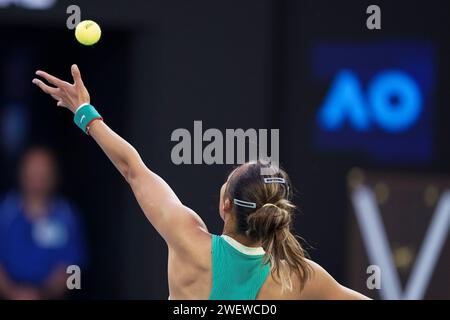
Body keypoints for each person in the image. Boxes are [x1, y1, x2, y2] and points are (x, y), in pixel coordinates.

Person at [32, 65, 368, 300]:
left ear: (225, 205)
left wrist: (85, 112)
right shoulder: (299, 277)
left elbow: (131, 168)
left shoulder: (187, 238)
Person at [0, 147, 86, 300]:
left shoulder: (68, 215)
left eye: (44, 169)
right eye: (33, 168)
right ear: (21, 172)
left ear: (55, 175)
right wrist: (13, 293)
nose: (38, 175)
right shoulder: (5, 211)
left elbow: (75, 272)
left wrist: (43, 294)